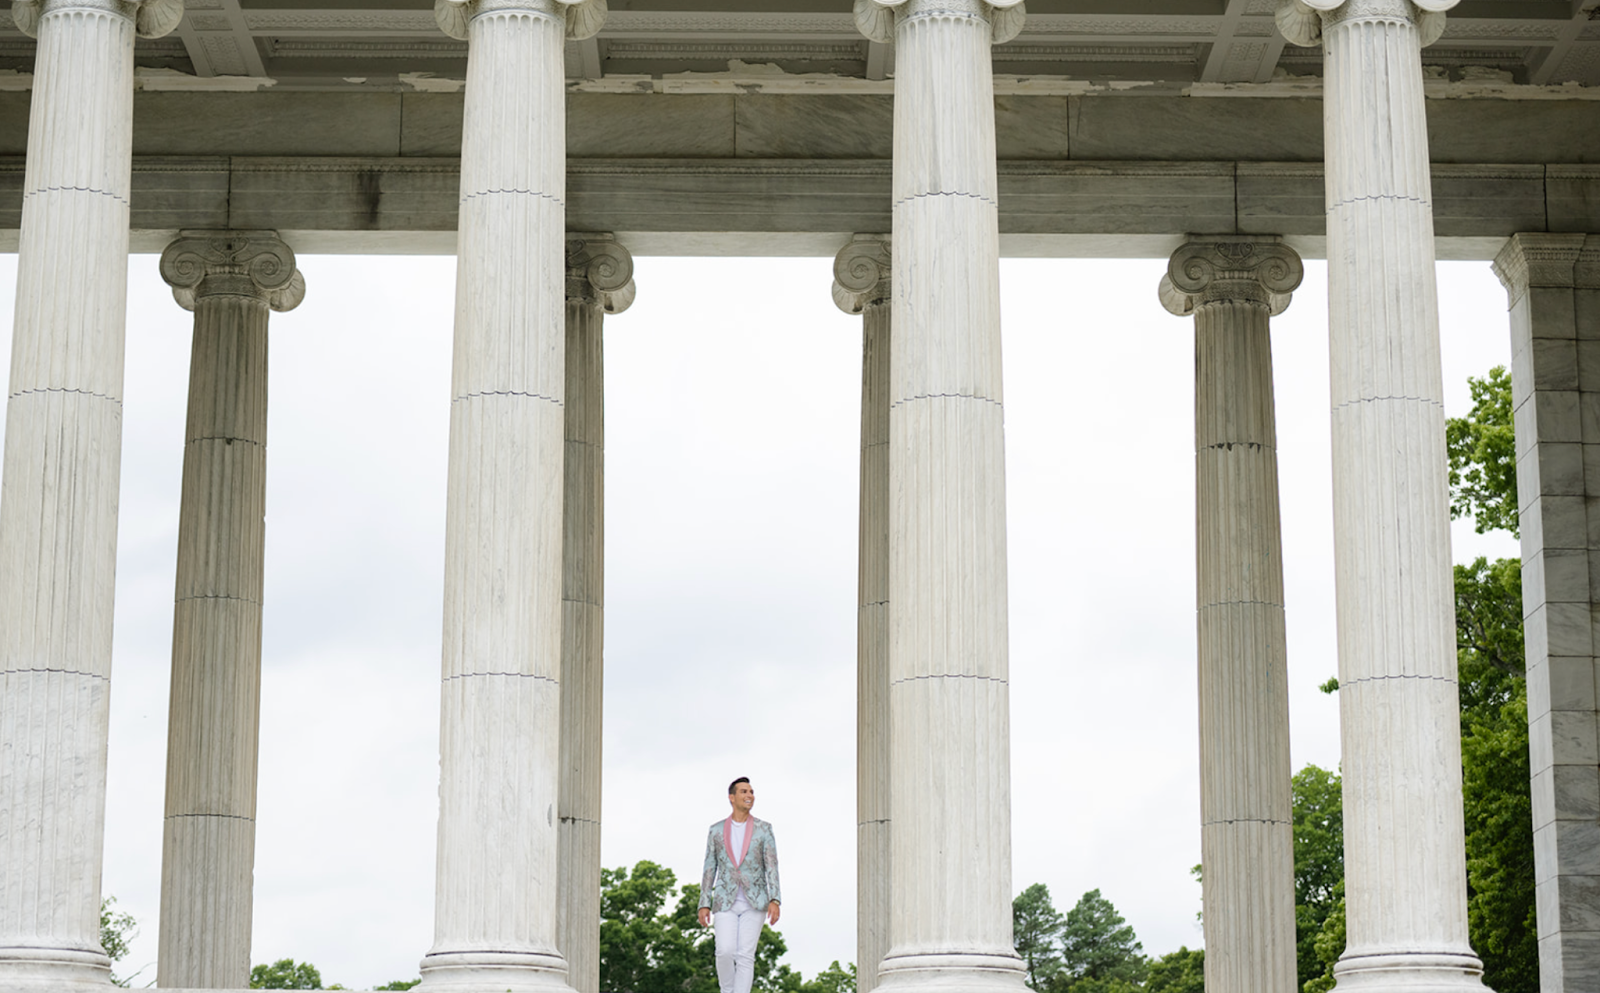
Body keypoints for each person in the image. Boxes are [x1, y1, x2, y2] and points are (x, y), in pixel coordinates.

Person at [697, 776, 781, 993]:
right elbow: (709, 867)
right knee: (724, 951)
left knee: (745, 955)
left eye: (751, 792)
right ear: (731, 797)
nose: (749, 795)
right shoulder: (716, 830)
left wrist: (775, 899)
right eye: (744, 791)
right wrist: (703, 902)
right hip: (725, 900)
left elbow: (771, 865)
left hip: (756, 901)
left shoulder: (764, 829)